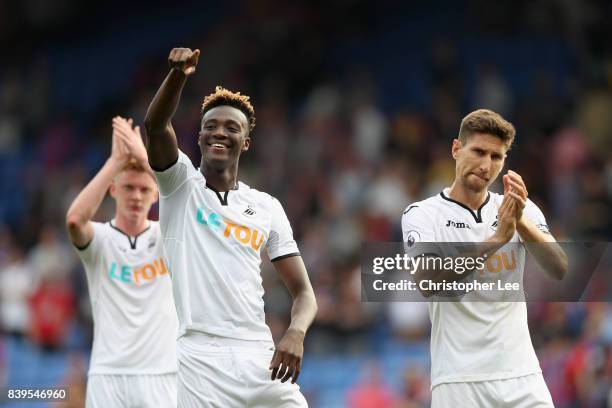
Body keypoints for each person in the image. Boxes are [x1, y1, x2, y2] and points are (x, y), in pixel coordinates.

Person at [140, 47, 318, 407]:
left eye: (231, 127)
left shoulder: (267, 207)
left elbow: (304, 293)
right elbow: (156, 126)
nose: (219, 132)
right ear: (200, 136)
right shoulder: (180, 185)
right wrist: (177, 76)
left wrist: (296, 332)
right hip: (199, 357)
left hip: (259, 354)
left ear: (246, 141)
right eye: (210, 126)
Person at [401, 109, 568, 407]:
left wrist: (521, 224)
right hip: (459, 380)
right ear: (456, 149)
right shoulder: (422, 215)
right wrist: (494, 242)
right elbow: (427, 281)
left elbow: (559, 268)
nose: (486, 165)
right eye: (478, 151)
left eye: (496, 157)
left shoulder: (518, 208)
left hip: (521, 375)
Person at [66, 116, 178, 408]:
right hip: (108, 375)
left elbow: (188, 200)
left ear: (155, 194)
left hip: (162, 375)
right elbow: (75, 220)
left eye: (144, 189)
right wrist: (116, 162)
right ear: (113, 190)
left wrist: (143, 155)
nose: (136, 197)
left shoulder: (170, 237)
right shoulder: (100, 240)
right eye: (128, 187)